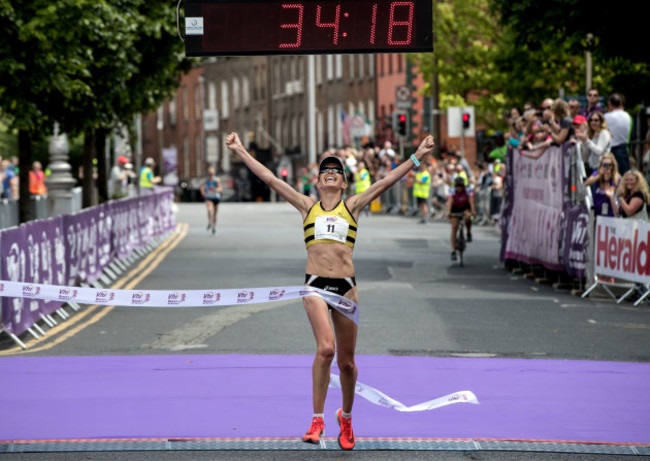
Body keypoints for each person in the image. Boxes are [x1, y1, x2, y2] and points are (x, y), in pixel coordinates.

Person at [225, 131, 435, 451]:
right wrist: (240, 149)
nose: (331, 173)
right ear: (318, 181)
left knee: (347, 364)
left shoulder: (352, 206)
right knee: (326, 349)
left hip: (346, 289)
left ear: (344, 183)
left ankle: (346, 418)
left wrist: (417, 155)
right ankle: (317, 419)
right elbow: (268, 177)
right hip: (314, 286)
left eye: (336, 170)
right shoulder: (307, 206)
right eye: (326, 170)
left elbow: (386, 181)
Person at [447, 175, 476, 261]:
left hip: (465, 208)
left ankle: (468, 232)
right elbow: (450, 202)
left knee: (468, 217)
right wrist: (448, 212)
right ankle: (453, 251)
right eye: (457, 186)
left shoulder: (468, 190)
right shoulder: (452, 191)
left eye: (461, 186)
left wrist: (473, 211)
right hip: (455, 208)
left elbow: (471, 202)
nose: (459, 188)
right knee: (454, 226)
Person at [604, 93, 633, 175]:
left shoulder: (606, 116)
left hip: (609, 150)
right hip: (623, 149)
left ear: (610, 104)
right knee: (624, 176)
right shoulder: (628, 116)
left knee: (607, 175)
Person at [585, 153, 621, 217]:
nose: (606, 167)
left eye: (609, 165)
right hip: (598, 212)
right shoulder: (597, 174)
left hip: (610, 213)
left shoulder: (616, 178)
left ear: (612, 166)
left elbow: (613, 192)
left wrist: (608, 177)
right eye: (604, 165)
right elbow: (587, 183)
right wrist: (599, 175)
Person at [576, 111, 611, 176]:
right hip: (591, 167)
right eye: (591, 120)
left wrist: (587, 141)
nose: (593, 122)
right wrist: (584, 143)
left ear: (601, 122)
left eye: (596, 120)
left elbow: (599, 151)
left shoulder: (604, 133)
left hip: (602, 167)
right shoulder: (589, 133)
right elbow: (584, 158)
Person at [200, 166, 223, 234]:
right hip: (209, 197)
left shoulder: (216, 180)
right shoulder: (206, 180)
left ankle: (214, 227)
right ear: (208, 174)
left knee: (215, 214)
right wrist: (203, 192)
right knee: (209, 209)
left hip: (216, 197)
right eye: (209, 174)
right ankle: (210, 222)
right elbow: (201, 186)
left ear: (214, 174)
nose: (210, 175)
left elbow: (220, 189)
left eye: (212, 174)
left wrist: (215, 189)